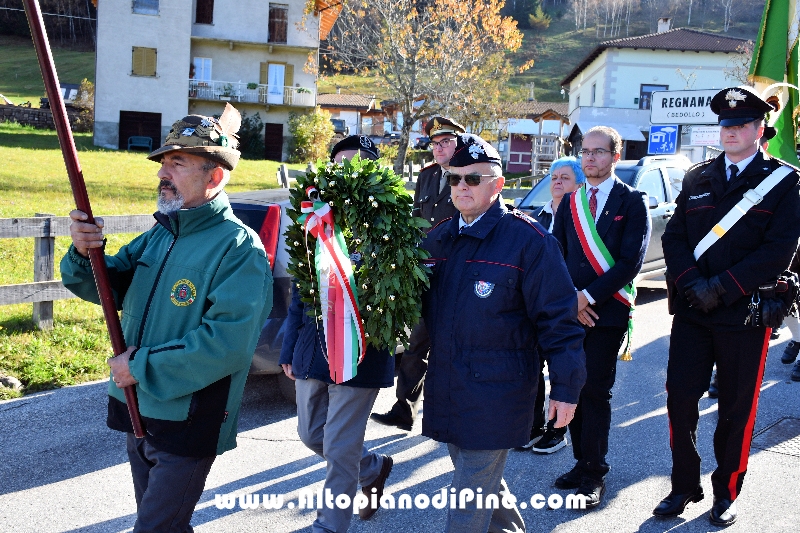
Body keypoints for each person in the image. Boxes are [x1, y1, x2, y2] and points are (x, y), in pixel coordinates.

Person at [60, 105, 273, 532]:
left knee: (155, 528)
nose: (163, 172)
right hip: (138, 409)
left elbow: (226, 346)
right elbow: (107, 286)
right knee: (164, 525)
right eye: (163, 162)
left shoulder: (239, 249)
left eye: (178, 163)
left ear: (214, 177)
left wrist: (138, 366)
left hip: (188, 420)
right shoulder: (162, 231)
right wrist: (85, 254)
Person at [421, 134, 586, 532]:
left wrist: (566, 388)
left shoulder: (530, 242)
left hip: (497, 391)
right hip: (449, 384)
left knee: (467, 499)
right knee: (478, 481)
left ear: (497, 184)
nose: (462, 186)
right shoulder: (439, 236)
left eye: (473, 179)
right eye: (455, 178)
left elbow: (559, 322)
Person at [655, 87, 800, 526]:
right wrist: (693, 284)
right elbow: (674, 238)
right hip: (694, 312)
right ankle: (683, 486)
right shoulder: (698, 177)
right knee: (680, 398)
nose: (731, 132)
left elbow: (779, 250)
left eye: (740, 125)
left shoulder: (785, 181)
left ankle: (726, 491)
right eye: (725, 125)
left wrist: (721, 286)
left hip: (745, 312)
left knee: (737, 407)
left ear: (760, 130)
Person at [280, 135, 395, 532]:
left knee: (340, 445)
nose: (343, 171)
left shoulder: (390, 221)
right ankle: (373, 468)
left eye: (355, 164)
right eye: (337, 163)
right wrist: (289, 345)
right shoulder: (313, 216)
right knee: (312, 434)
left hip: (361, 350)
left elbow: (399, 294)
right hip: (314, 349)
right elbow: (301, 290)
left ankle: (330, 525)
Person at [551, 126, 651, 508]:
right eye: (585, 151)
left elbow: (630, 262)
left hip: (607, 313)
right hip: (571, 313)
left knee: (594, 389)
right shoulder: (572, 202)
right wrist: (570, 301)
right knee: (570, 386)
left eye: (598, 151)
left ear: (616, 156)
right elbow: (555, 256)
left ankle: (594, 471)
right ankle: (580, 462)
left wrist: (587, 296)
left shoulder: (631, 202)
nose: (590, 158)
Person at [370, 116, 463, 432]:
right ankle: (404, 409)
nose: (439, 148)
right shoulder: (426, 177)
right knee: (415, 347)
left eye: (446, 142)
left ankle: (451, 413)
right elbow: (414, 223)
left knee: (452, 348)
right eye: (435, 143)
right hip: (426, 275)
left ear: (459, 143)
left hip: (457, 276)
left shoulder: (468, 176)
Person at [524, 156, 587, 455]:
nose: (557, 182)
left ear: (579, 185)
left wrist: (577, 298)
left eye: (565, 177)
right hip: (535, 304)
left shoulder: (584, 219)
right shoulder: (536, 216)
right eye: (553, 177)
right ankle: (532, 425)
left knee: (563, 370)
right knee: (532, 366)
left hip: (571, 303)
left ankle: (557, 430)